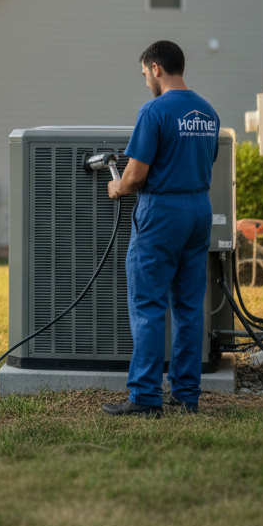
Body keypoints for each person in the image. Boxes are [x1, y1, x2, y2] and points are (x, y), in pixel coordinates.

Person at [101, 40, 219, 418]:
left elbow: (135, 177)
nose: (145, 82)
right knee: (188, 306)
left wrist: (116, 186)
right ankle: (187, 396)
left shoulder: (154, 111)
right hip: (199, 209)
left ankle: (146, 398)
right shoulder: (209, 112)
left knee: (149, 306)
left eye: (144, 74)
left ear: (156, 68)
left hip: (162, 213)